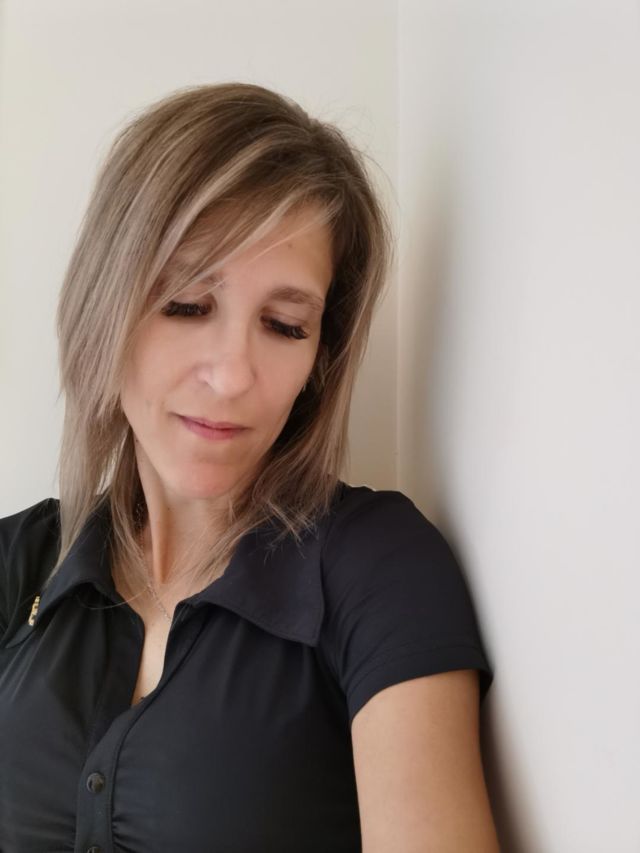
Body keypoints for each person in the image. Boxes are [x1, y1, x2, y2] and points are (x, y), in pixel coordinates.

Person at [0, 82, 499, 852]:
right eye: (188, 305)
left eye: (285, 324)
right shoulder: (17, 563)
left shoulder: (379, 568)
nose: (233, 374)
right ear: (105, 307)